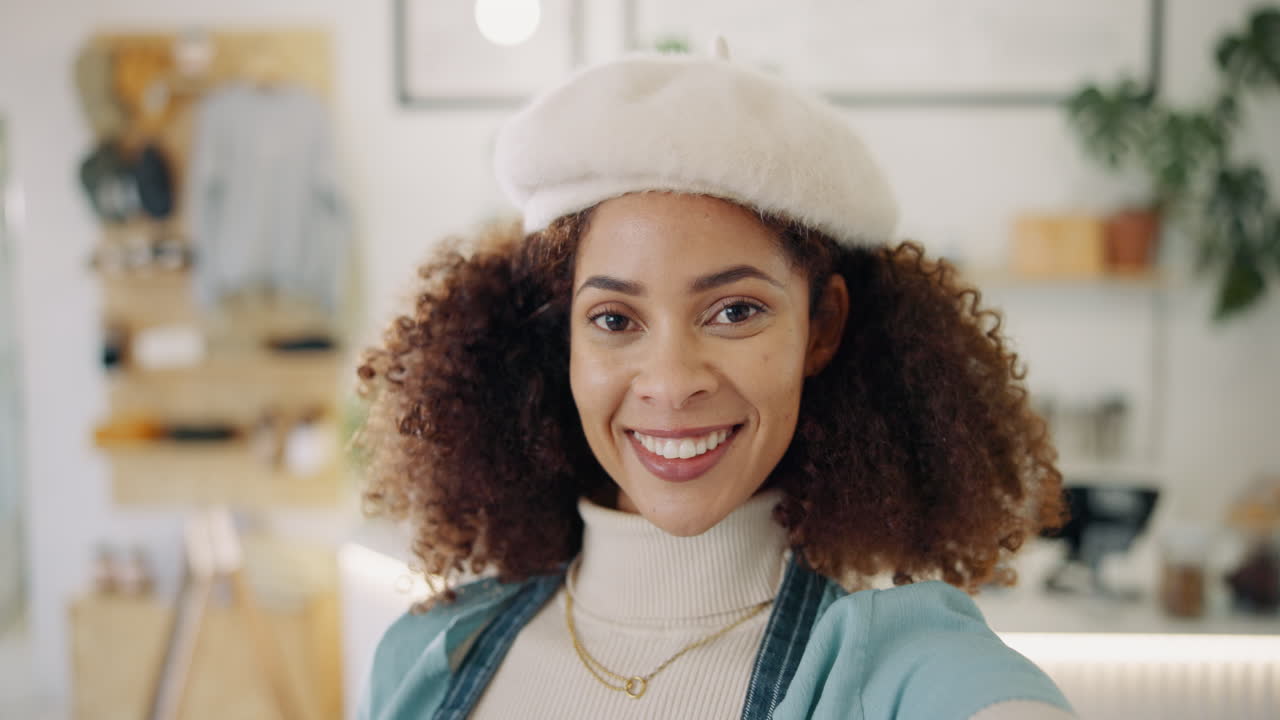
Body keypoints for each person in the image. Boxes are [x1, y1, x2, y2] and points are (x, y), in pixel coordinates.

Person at [355, 42, 1075, 720]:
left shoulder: (897, 672)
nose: (670, 384)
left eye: (735, 311)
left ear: (820, 327)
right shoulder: (431, 656)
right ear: (560, 337)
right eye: (613, 319)